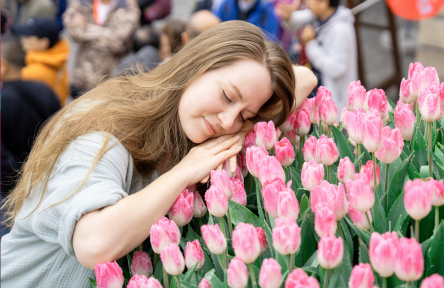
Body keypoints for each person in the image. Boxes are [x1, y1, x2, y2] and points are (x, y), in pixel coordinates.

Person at [1, 21, 317, 287]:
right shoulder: (104, 132)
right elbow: (94, 244)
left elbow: (306, 78)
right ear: (195, 65)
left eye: (246, 115)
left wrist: (240, 129)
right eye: (225, 96)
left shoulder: (189, 120)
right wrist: (185, 172)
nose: (227, 121)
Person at [1, 38, 61, 236]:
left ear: (3, 65)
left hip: (12, 192)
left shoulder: (4, 99)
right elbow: (60, 131)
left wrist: (20, 177)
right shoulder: (43, 88)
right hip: (48, 181)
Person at [277, 0, 357, 120]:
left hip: (336, 102)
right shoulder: (319, 15)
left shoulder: (340, 29)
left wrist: (311, 44)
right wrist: (289, 17)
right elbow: (297, 20)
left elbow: (337, 68)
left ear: (323, 3)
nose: (306, 1)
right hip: (319, 91)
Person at [63, 0, 140, 99]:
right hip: (81, 78)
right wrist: (108, 34)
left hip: (110, 80)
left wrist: (85, 27)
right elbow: (73, 30)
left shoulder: (127, 7)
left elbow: (118, 41)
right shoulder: (83, 3)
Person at [13, 17, 70, 106]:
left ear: (44, 42)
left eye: (28, 36)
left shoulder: (31, 73)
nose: (23, 40)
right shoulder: (56, 60)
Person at [213, 0, 280, 40]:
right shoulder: (226, 5)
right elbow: (214, 27)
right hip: (225, 49)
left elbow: (271, 40)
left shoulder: (267, 11)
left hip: (252, 55)